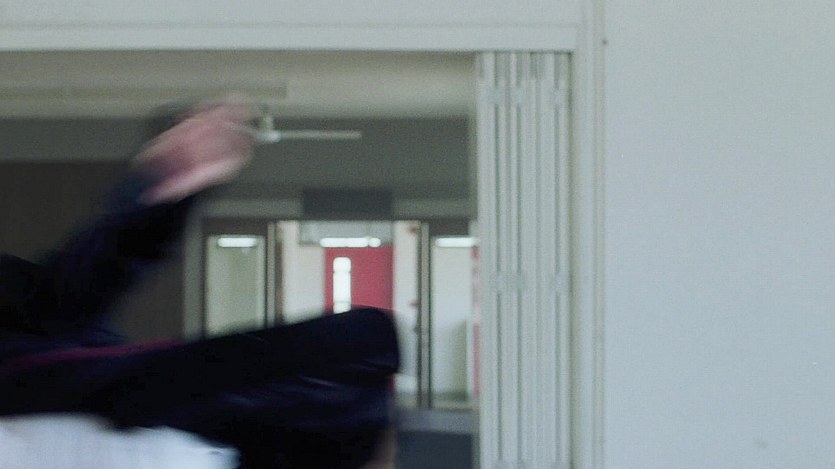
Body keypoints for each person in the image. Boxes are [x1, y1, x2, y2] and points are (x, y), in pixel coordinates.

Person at [0, 100, 399, 469]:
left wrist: (157, 190)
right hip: (98, 411)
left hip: (158, 418)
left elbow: (60, 301)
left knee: (356, 358)